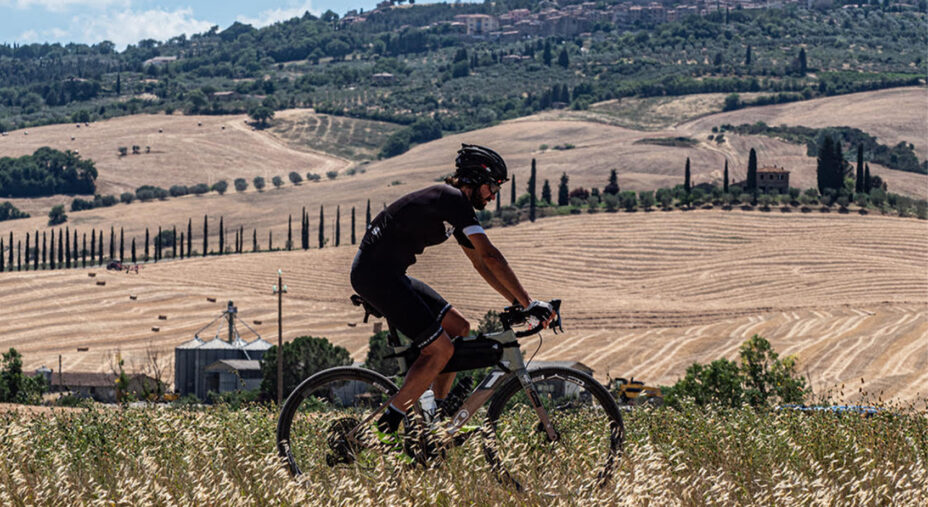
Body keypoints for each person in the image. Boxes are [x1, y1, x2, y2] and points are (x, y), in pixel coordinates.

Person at [350, 144, 554, 438]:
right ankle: (387, 425)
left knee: (459, 327)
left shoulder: (455, 206)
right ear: (474, 179)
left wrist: (518, 303)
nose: (494, 196)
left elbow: (480, 265)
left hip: (390, 274)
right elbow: (491, 256)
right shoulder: (452, 199)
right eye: (492, 187)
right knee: (440, 349)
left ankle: (434, 419)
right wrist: (529, 302)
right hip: (376, 276)